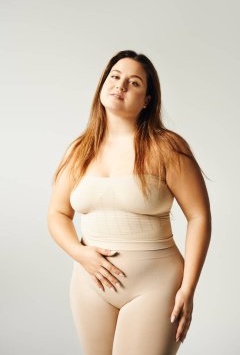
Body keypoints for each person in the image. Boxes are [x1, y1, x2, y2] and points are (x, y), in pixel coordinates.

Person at [47, 49, 212, 355]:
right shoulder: (79, 150)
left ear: (147, 100)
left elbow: (199, 216)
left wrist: (188, 289)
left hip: (156, 286)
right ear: (102, 85)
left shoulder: (167, 148)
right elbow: (57, 213)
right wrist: (80, 254)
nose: (120, 86)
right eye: (115, 76)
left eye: (134, 83)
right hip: (90, 285)